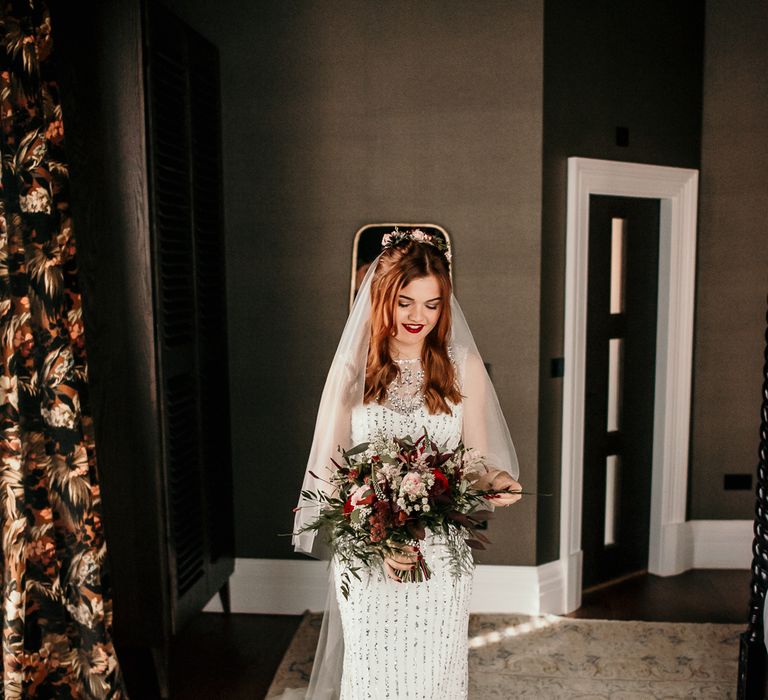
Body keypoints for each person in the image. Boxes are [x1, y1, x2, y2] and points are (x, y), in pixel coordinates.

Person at [283, 230, 521, 700]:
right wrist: (377, 537)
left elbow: (474, 462)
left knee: (435, 675)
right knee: (374, 677)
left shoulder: (461, 365)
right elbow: (329, 475)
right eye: (406, 302)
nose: (418, 317)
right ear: (382, 297)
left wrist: (499, 480)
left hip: (440, 555)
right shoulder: (352, 371)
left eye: (432, 305)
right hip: (368, 556)